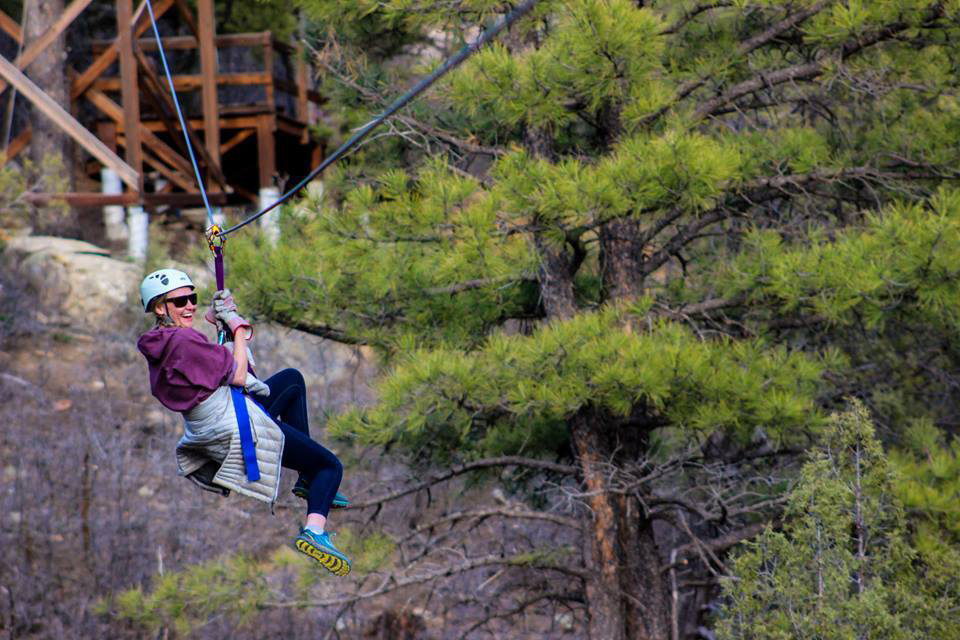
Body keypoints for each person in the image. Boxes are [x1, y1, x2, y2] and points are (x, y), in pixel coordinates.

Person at [136, 268, 351, 576]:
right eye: (181, 300)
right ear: (160, 308)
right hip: (231, 421)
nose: (190, 306)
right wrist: (237, 328)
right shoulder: (181, 340)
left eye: (192, 299)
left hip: (218, 416)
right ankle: (314, 531)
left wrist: (219, 324)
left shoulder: (163, 341)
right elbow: (237, 374)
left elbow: (210, 366)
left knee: (291, 381)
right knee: (330, 467)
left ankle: (306, 478)